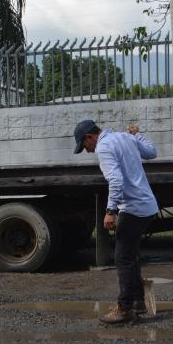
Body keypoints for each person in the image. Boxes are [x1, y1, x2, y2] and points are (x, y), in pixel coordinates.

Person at [73, 119, 158, 325]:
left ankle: (125, 308)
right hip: (147, 206)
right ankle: (137, 302)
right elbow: (151, 152)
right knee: (131, 255)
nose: (88, 151)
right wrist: (137, 135)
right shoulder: (125, 137)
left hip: (133, 208)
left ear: (89, 137)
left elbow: (116, 180)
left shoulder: (103, 147)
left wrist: (110, 211)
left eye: (84, 146)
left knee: (123, 258)